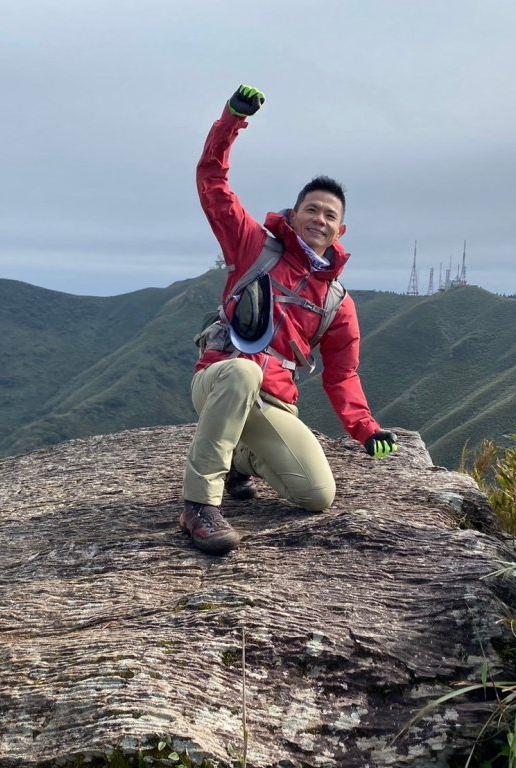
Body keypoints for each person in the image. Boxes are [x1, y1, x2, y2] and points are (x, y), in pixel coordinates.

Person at [181, 84, 398, 555]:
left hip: (275, 402)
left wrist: (366, 429)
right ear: (295, 214)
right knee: (241, 370)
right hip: (220, 379)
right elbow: (212, 183)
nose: (319, 219)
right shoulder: (254, 248)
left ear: (340, 230)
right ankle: (199, 505)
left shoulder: (337, 302)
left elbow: (343, 375)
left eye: (330, 215)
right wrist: (231, 121)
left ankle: (238, 456)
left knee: (317, 496)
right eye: (311, 209)